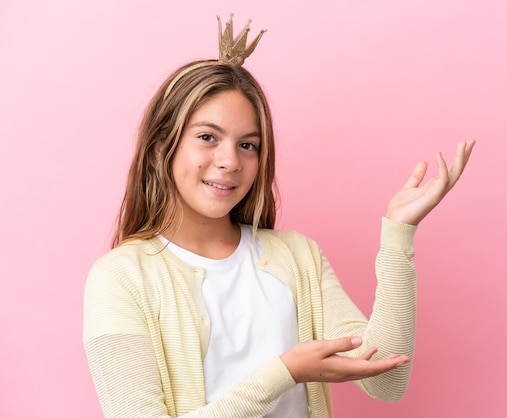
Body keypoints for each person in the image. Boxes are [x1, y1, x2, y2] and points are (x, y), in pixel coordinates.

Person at [83, 16, 475, 418]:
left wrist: (398, 237)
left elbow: (386, 381)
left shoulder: (297, 257)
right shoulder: (120, 279)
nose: (230, 161)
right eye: (207, 137)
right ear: (160, 148)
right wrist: (284, 372)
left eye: (248, 144)